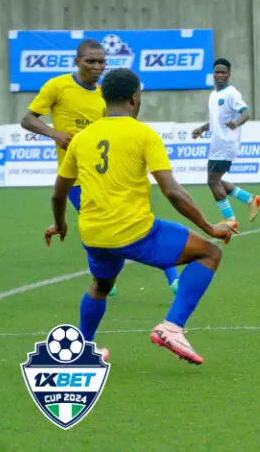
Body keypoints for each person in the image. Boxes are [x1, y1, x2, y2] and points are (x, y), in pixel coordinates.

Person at [44, 68, 238, 365]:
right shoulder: (144, 134)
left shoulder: (81, 139)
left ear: (103, 98)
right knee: (210, 253)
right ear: (135, 98)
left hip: (94, 234)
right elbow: (172, 191)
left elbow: (59, 194)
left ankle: (83, 350)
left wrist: (60, 224)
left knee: (101, 285)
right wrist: (209, 227)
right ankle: (171, 327)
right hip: (134, 232)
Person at [22, 39, 181, 297]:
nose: (97, 66)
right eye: (91, 61)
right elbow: (27, 119)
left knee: (139, 221)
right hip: (77, 176)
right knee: (98, 225)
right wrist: (55, 134)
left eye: (101, 62)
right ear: (77, 62)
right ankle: (107, 278)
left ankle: (164, 276)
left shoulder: (106, 95)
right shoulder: (57, 86)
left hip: (111, 172)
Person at [192, 58, 260, 227]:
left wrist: (236, 123)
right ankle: (250, 199)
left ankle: (230, 219)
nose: (220, 75)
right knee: (215, 180)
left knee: (212, 180)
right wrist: (201, 129)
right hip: (216, 144)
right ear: (213, 74)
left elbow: (246, 113)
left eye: (223, 72)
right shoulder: (213, 95)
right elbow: (215, 121)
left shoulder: (232, 93)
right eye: (217, 72)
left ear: (229, 75)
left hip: (226, 144)